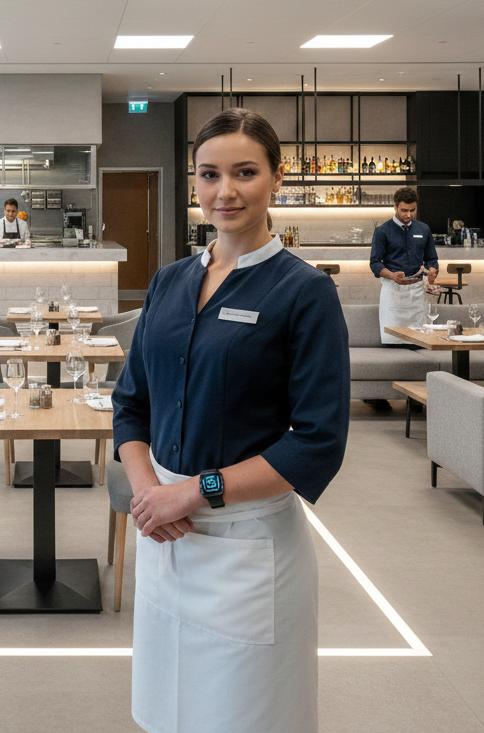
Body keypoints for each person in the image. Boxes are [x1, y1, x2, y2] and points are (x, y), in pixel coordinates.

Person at [112, 108, 350, 733]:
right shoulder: (167, 283)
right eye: (209, 174)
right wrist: (148, 494)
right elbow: (131, 404)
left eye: (245, 172)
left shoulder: (304, 292)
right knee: (167, 710)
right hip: (165, 537)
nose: (226, 191)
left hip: (250, 550)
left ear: (276, 177)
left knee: (243, 717)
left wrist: (193, 491)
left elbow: (316, 443)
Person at [367, 187, 439, 412]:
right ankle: (381, 396)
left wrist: (433, 270)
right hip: (393, 289)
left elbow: (432, 258)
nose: (408, 215)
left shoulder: (423, 229)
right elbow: (375, 263)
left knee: (415, 344)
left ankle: (415, 397)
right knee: (392, 345)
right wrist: (391, 275)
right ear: (395, 207)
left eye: (412, 210)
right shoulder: (383, 231)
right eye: (404, 210)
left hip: (416, 290)